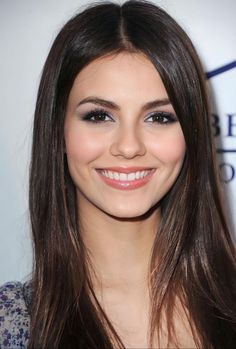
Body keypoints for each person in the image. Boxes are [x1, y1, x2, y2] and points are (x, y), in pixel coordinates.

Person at [0, 0, 235, 348]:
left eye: (159, 117)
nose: (128, 146)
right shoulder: (13, 324)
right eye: (98, 116)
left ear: (191, 133)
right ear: (58, 132)